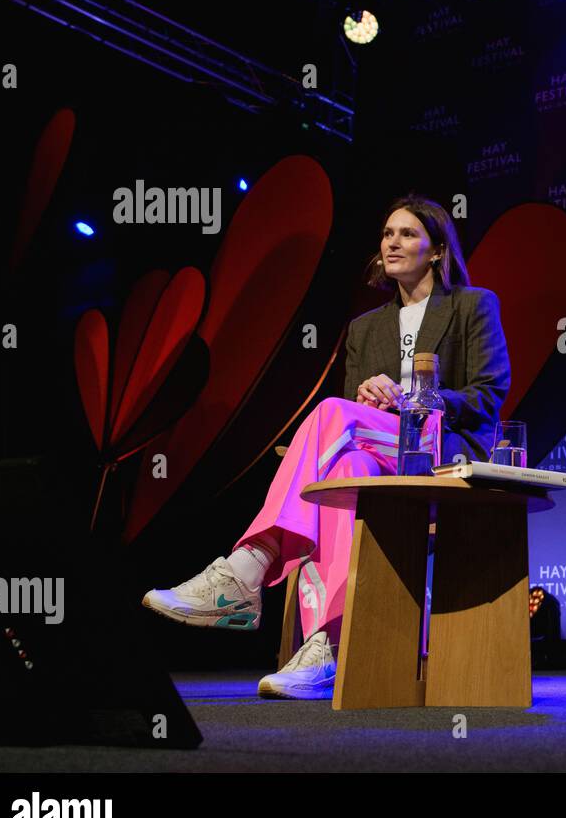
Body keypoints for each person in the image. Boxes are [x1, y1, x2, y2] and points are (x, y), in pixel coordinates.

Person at [143, 194, 510, 699]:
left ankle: (249, 566)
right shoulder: (365, 327)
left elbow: (489, 394)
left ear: (437, 251)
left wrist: (417, 399)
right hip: (378, 451)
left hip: (443, 449)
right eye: (386, 234)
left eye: (407, 233)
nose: (392, 242)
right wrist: (367, 396)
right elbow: (353, 407)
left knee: (330, 416)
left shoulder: (472, 305)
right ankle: (329, 645)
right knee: (347, 467)